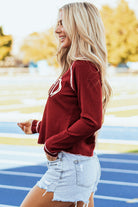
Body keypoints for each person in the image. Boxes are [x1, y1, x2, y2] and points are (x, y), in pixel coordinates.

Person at [17, 2, 111, 207]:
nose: (57, 29)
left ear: (79, 25)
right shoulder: (77, 66)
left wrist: (52, 145)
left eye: (63, 23)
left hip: (71, 167)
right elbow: (71, 118)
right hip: (78, 166)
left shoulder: (83, 66)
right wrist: (37, 126)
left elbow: (91, 120)